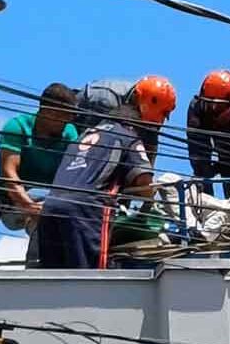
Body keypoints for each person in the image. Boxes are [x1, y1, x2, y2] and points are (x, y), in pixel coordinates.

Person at [37, 104, 157, 269]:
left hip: (50, 207)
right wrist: (151, 196)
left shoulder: (81, 136)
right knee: (90, 280)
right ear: (132, 126)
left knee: (52, 281)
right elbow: (145, 184)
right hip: (85, 212)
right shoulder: (127, 136)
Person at [0, 83, 79, 264]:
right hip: (13, 203)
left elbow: (73, 176)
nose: (66, 124)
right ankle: (37, 268)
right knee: (45, 216)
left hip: (50, 199)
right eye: (64, 118)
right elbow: (9, 174)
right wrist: (30, 206)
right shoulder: (17, 127)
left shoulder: (69, 133)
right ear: (48, 112)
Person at [74, 76, 176, 164]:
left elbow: (149, 149)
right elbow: (87, 142)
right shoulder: (106, 101)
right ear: (137, 99)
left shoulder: (150, 112)